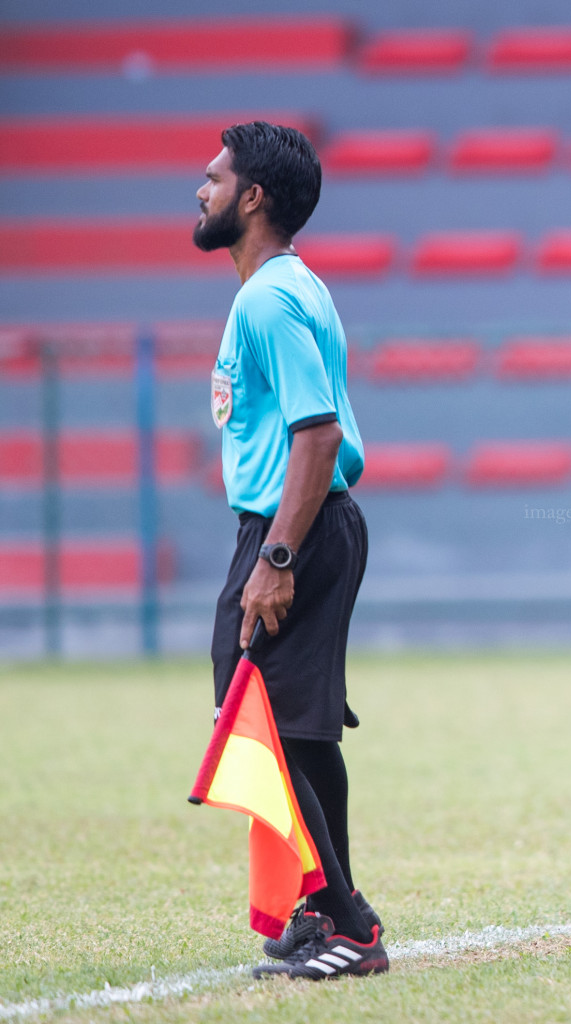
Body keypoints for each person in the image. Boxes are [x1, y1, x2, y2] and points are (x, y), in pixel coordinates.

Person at [194, 121, 388, 978]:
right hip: (307, 523)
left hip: (292, 528)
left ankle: (348, 925)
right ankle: (323, 917)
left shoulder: (267, 299)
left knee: (255, 722)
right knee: (298, 735)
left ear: (253, 197)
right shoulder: (291, 287)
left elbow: (317, 432)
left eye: (213, 178)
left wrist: (274, 561)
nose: (200, 191)